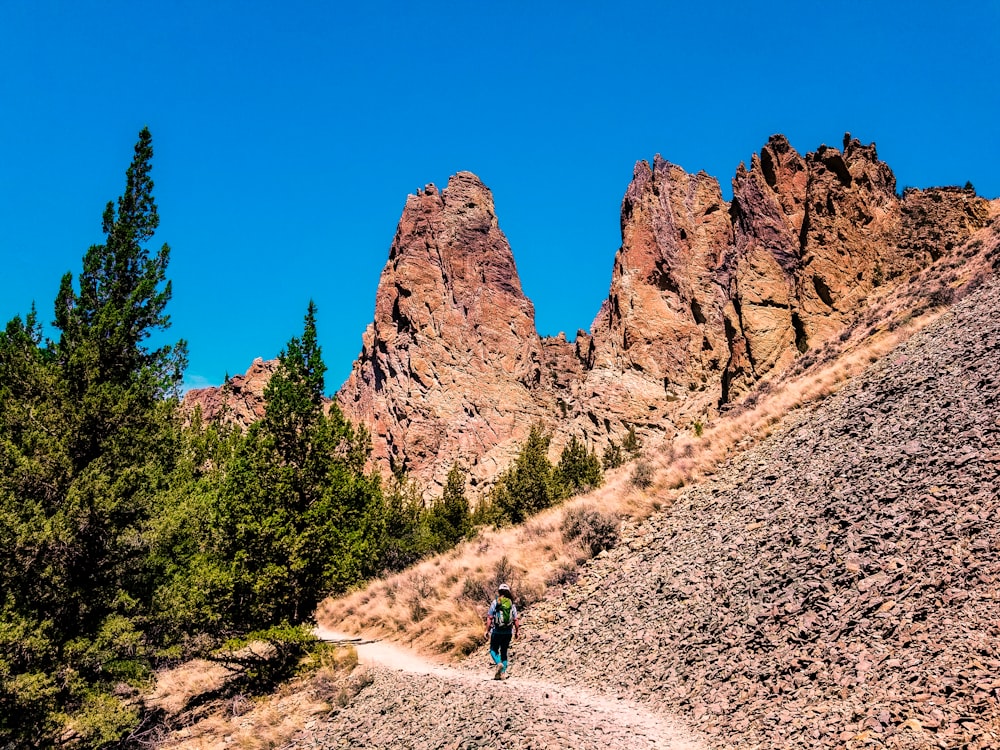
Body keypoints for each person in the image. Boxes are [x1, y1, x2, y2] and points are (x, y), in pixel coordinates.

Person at [484, 583, 520, 680]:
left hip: (497, 630)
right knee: (504, 651)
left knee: (493, 649)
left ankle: (499, 663)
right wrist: (517, 632)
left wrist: (487, 630)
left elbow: (490, 617)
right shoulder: (511, 604)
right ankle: (502, 673)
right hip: (508, 632)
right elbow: (516, 619)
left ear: (499, 592)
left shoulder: (496, 602)